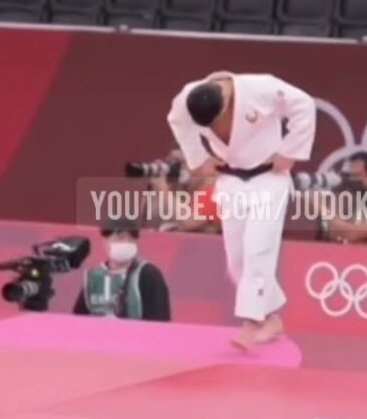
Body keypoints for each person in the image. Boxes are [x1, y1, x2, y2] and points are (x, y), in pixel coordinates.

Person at [167, 71, 317, 350]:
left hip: (269, 179)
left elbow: (304, 105)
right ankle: (270, 319)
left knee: (258, 250)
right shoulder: (187, 98)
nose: (214, 128)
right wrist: (198, 158)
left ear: (225, 101)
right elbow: (176, 120)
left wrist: (290, 152)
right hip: (231, 180)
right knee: (237, 262)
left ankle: (251, 322)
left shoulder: (261, 89)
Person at [71, 218, 171, 321]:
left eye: (131, 239)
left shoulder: (149, 274)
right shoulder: (93, 277)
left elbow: (160, 320)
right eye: (120, 238)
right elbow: (77, 319)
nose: (126, 243)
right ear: (105, 241)